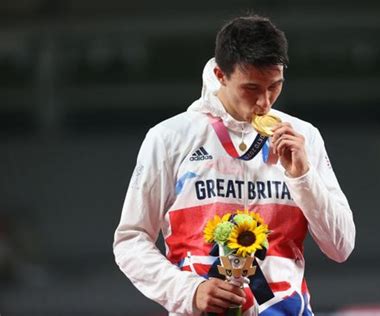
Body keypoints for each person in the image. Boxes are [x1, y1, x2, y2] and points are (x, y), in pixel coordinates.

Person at [113, 15, 355, 315]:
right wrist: (189, 291)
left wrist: (303, 176)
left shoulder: (303, 138)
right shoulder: (170, 138)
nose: (265, 102)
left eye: (275, 87)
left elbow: (341, 246)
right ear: (221, 74)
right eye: (251, 88)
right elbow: (130, 240)